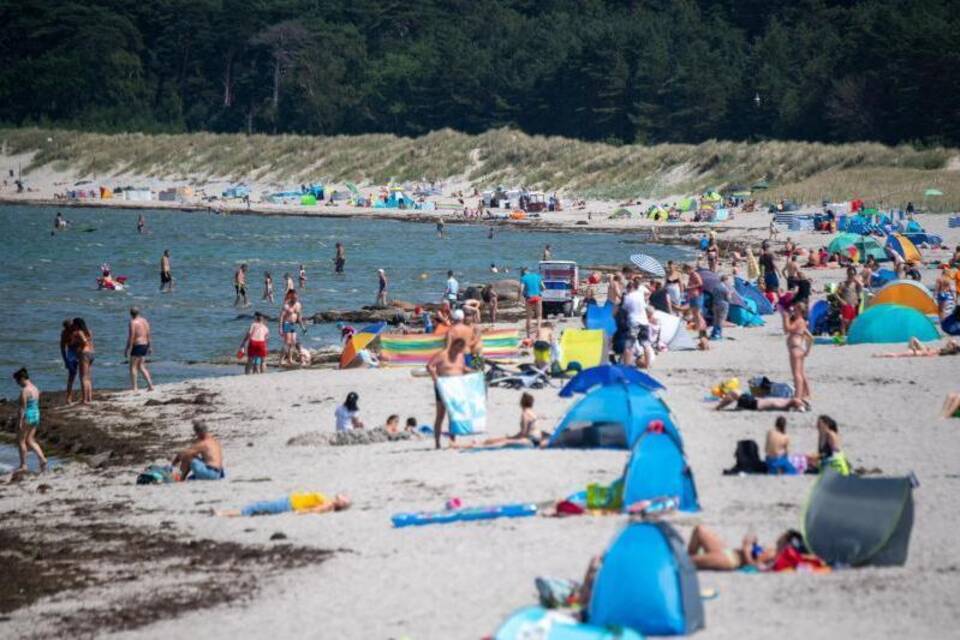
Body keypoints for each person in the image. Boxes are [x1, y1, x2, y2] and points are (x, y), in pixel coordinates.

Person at [686, 525, 803, 571]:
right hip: (729, 552)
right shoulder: (773, 551)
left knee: (685, 561)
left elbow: (752, 567)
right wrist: (753, 545)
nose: (780, 535)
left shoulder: (775, 555)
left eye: (784, 535)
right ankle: (688, 558)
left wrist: (746, 546)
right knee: (700, 530)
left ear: (787, 542)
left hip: (731, 560)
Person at [454, 393, 550, 449]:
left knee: (493, 441)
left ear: (521, 403)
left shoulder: (525, 414)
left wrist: (511, 437)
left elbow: (523, 434)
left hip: (529, 440)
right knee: (496, 440)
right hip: (536, 439)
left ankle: (463, 445)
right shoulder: (533, 413)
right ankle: (470, 444)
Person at [427, 336, 468, 449]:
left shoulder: (460, 356)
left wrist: (473, 372)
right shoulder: (443, 354)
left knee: (453, 415)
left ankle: (452, 441)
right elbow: (429, 366)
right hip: (443, 386)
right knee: (440, 415)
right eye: (459, 348)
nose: (460, 351)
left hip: (456, 387)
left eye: (462, 349)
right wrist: (435, 377)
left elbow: (462, 368)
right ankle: (437, 443)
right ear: (454, 346)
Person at [12, 368, 47, 473]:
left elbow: (22, 408)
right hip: (36, 414)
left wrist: (19, 422)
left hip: (27, 416)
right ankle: (42, 459)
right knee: (30, 440)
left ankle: (23, 465)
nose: (18, 384)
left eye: (18, 381)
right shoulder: (35, 388)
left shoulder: (25, 390)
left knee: (21, 440)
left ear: (22, 379)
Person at [217, 493, 351, 517]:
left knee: (255, 508)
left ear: (340, 504)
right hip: (288, 502)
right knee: (259, 507)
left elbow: (315, 510)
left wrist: (299, 513)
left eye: (345, 500)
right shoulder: (328, 502)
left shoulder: (328, 504)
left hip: (289, 505)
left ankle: (223, 514)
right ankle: (225, 513)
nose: (344, 496)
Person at [783, 301, 812, 405]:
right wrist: (807, 350)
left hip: (795, 349)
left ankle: (798, 397)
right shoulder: (803, 322)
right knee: (801, 373)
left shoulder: (799, 321)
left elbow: (787, 329)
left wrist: (785, 317)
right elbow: (810, 337)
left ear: (799, 310)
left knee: (796, 375)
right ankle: (807, 393)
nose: (793, 311)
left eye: (795, 309)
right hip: (800, 349)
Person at [125, 306, 154, 391]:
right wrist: (150, 346)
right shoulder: (144, 321)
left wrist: (128, 348)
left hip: (137, 345)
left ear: (130, 314)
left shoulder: (133, 322)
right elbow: (148, 333)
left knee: (133, 367)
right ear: (139, 312)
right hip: (144, 344)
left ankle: (135, 387)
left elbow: (131, 336)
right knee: (141, 366)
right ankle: (150, 385)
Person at [71, 317, 95, 404]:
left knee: (83, 377)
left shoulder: (78, 332)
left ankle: (84, 399)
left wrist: (76, 343)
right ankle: (89, 398)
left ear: (77, 325)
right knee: (88, 377)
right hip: (92, 353)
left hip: (84, 354)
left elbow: (83, 342)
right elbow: (89, 341)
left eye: (74, 324)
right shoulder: (89, 331)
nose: (73, 326)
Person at [279, 290, 304, 366]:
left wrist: (303, 327)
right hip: (286, 324)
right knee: (287, 342)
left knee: (293, 342)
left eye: (296, 297)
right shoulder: (286, 305)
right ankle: (281, 360)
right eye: (293, 297)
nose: (295, 298)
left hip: (293, 324)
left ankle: (290, 359)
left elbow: (299, 317)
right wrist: (280, 328)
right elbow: (281, 317)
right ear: (291, 297)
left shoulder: (298, 305)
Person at [715, 390, 804, 411]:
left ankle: (717, 407)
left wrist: (801, 406)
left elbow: (798, 403)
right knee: (734, 393)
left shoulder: (787, 403)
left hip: (754, 404)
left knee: (734, 392)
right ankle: (719, 407)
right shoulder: (786, 402)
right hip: (754, 402)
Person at [875, 337, 960, 358]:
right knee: (913, 339)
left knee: (897, 354)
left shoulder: (944, 351)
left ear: (952, 347)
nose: (949, 342)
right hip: (924, 350)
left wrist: (924, 351)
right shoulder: (944, 350)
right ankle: (910, 349)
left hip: (922, 352)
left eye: (951, 343)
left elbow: (930, 354)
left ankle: (879, 355)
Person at [520, 267, 544, 338]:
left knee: (529, 317)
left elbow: (521, 289)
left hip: (529, 298)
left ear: (523, 273)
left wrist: (521, 297)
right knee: (539, 316)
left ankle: (528, 335)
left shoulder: (523, 278)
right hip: (537, 297)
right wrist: (538, 290)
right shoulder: (537, 276)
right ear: (528, 271)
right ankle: (538, 332)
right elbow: (543, 287)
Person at [838, 267, 862, 335]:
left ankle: (848, 337)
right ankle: (843, 338)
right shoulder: (843, 284)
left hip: (853, 305)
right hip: (846, 305)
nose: (851, 275)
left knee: (852, 322)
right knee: (844, 322)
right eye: (850, 274)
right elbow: (836, 293)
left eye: (853, 274)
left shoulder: (855, 284)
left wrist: (856, 280)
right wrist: (841, 301)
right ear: (847, 274)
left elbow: (861, 288)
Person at [60, 319, 78, 404]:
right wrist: (65, 360)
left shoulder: (77, 331)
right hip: (71, 354)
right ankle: (69, 397)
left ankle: (70, 397)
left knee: (81, 376)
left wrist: (65, 360)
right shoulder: (64, 333)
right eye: (68, 327)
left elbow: (63, 348)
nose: (70, 328)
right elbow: (62, 348)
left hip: (77, 353)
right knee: (72, 376)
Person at [710, 275, 731, 340]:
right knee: (721, 320)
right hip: (723, 305)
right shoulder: (725, 288)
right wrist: (730, 294)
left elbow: (712, 295)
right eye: (728, 280)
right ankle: (717, 334)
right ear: (725, 280)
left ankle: (713, 333)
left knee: (716, 319)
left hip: (715, 304)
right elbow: (728, 299)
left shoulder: (715, 287)